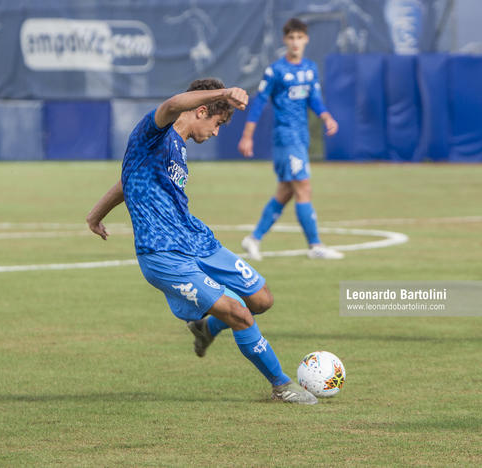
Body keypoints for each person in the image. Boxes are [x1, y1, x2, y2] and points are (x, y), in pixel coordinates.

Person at [86, 78, 318, 404]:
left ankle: (206, 329)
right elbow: (170, 106)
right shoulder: (153, 133)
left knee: (261, 300)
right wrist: (225, 93)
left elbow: (128, 182)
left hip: (197, 241)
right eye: (218, 123)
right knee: (239, 314)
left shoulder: (178, 148)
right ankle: (281, 386)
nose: (217, 132)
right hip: (164, 255)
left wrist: (95, 215)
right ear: (201, 110)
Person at [237, 18, 343, 261]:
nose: (295, 42)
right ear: (285, 40)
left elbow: (314, 99)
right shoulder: (276, 71)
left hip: (301, 137)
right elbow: (259, 103)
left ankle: (253, 239)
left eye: (300, 37)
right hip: (286, 137)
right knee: (303, 186)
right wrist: (247, 136)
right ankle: (315, 245)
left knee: (286, 191)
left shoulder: (310, 68)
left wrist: (326, 117)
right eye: (291, 38)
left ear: (306, 39)